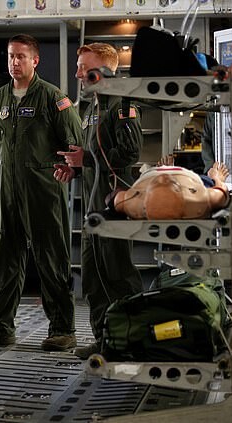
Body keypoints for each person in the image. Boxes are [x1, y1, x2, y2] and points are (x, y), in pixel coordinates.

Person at [0, 34, 83, 352]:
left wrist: (70, 170)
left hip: (43, 191)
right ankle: (1, 327)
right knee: (4, 260)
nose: (14, 62)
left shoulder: (53, 98)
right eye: (11, 56)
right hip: (6, 190)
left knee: (52, 259)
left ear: (35, 60)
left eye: (21, 56)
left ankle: (62, 329)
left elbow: (74, 143)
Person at [54, 43, 143, 359]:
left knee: (118, 277)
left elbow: (129, 154)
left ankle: (133, 342)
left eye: (83, 67)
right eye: (78, 66)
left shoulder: (122, 104)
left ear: (104, 69)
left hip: (114, 206)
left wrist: (87, 160)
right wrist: (75, 168)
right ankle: (106, 341)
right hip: (93, 208)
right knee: (93, 279)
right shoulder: (92, 107)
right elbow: (94, 156)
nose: (78, 73)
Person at [113, 161, 230, 219]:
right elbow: (222, 193)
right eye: (168, 182)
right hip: (190, 179)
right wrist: (217, 177)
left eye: (157, 182)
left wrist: (162, 169)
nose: (163, 177)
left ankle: (162, 169)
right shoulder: (199, 201)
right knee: (209, 181)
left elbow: (113, 199)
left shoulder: (129, 203)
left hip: (151, 173)